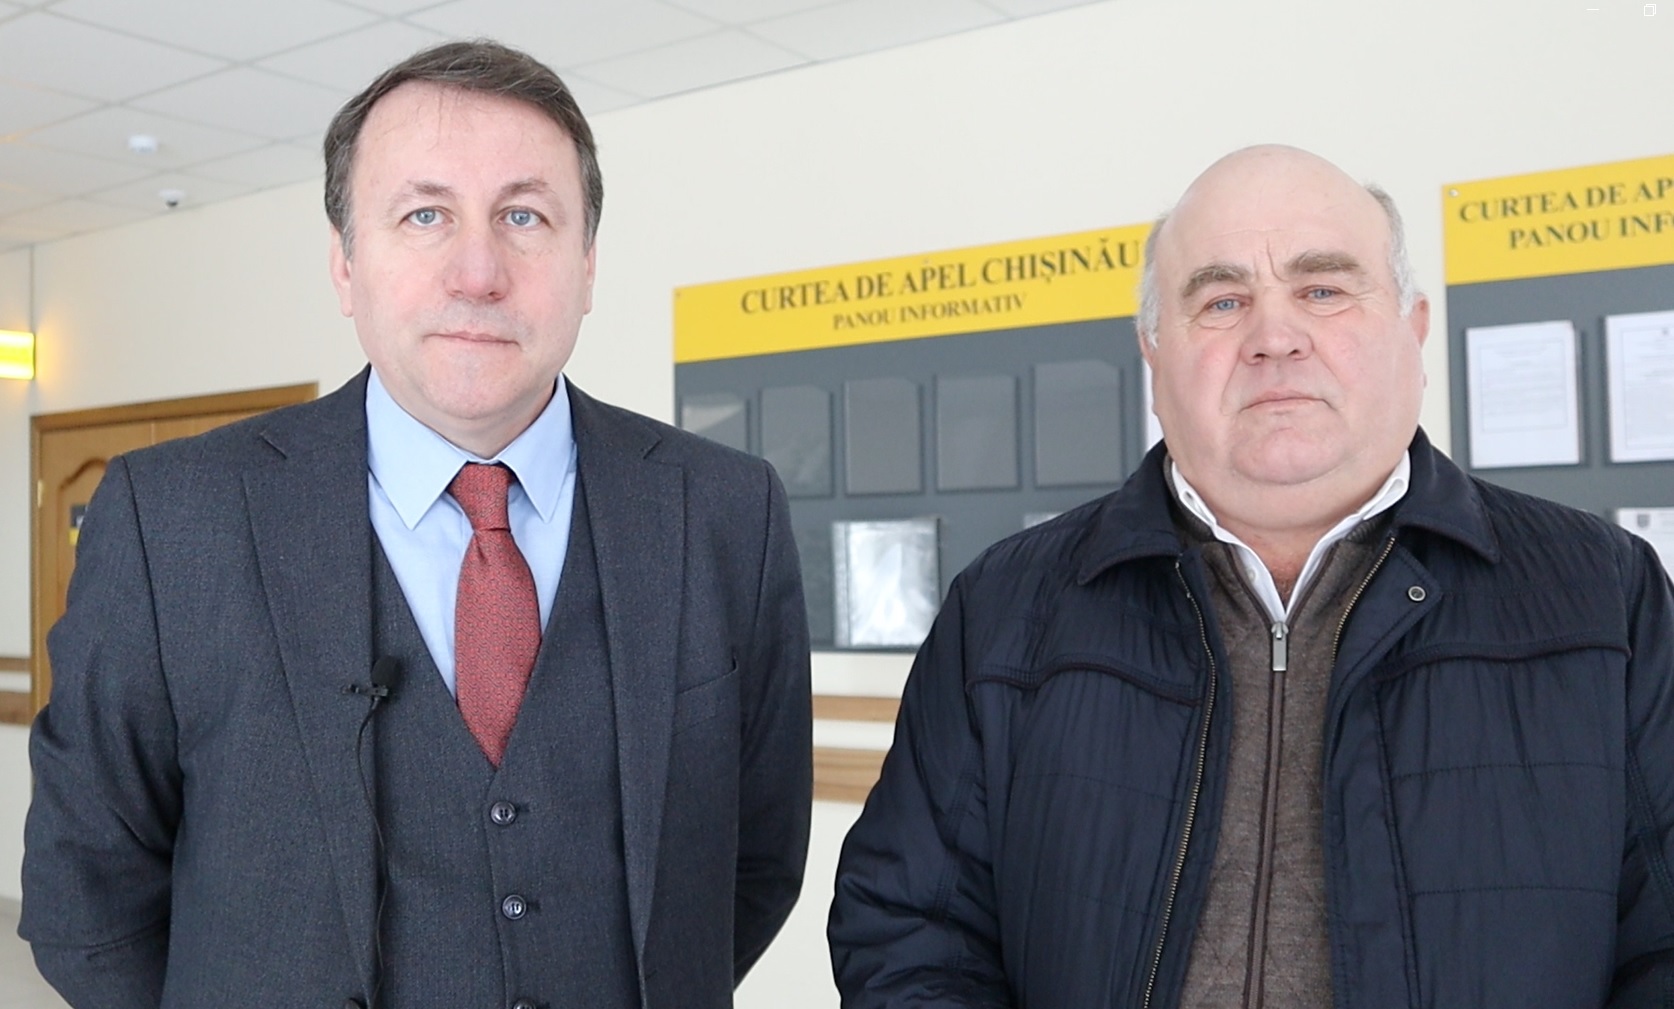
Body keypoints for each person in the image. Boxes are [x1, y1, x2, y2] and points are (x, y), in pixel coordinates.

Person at [22, 40, 811, 1009]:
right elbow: (84, 898)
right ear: (346, 265)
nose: (477, 272)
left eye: (524, 216)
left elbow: (752, 867)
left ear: (587, 266)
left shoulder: (726, 511)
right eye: (424, 215)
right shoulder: (171, 519)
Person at [828, 145, 1674, 1008]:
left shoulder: (1605, 595)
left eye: (1323, 289)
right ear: (1154, 353)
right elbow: (909, 930)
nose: (1275, 337)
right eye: (1223, 301)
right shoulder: (1007, 607)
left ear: (1413, 330)